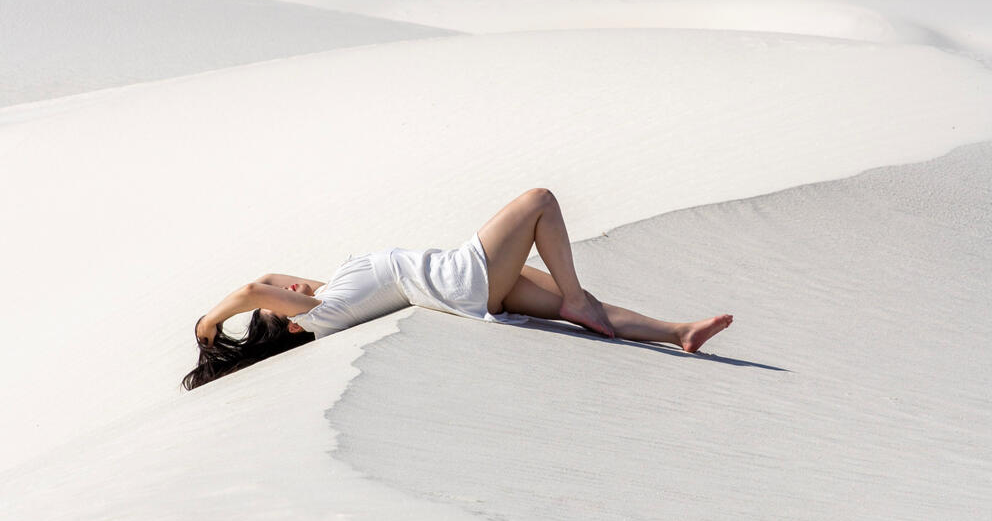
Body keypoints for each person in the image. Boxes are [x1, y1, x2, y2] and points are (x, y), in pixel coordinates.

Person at [183, 187, 733, 390]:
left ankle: (678, 332)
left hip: (460, 279)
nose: (293, 286)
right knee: (538, 201)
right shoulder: (324, 313)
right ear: (293, 319)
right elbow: (257, 289)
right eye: (287, 301)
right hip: (460, 279)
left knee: (579, 311)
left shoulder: (334, 292)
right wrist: (210, 327)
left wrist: (257, 313)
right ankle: (577, 297)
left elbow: (272, 279)